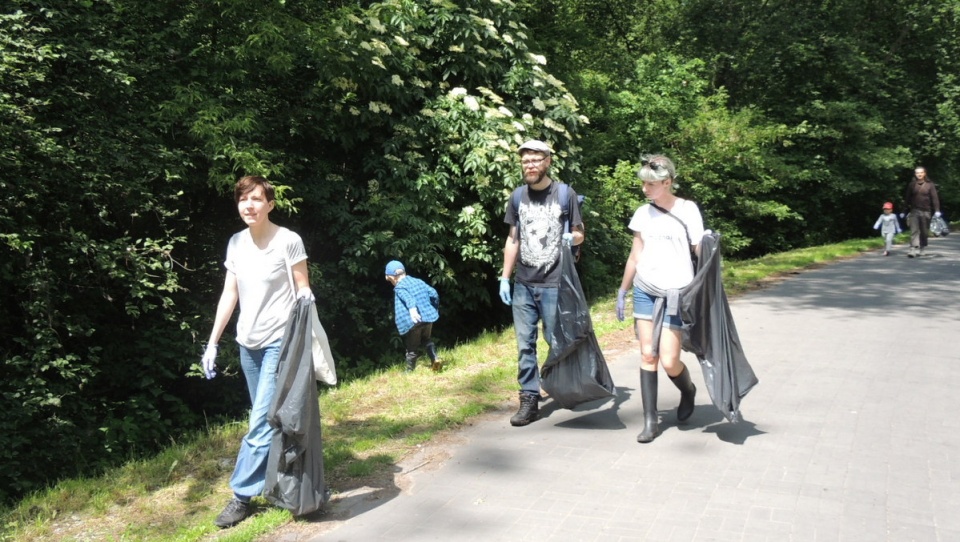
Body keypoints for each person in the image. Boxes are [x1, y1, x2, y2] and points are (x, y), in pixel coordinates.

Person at [200, 175, 314, 528]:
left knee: (260, 422)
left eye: (255, 199)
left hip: (279, 342)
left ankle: (241, 496)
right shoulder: (235, 243)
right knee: (268, 418)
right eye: (242, 199)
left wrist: (307, 305)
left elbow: (302, 286)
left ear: (270, 204)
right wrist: (213, 342)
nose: (248, 205)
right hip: (246, 344)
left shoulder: (288, 241)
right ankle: (282, 479)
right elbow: (229, 294)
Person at [615, 155, 703, 443]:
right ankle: (650, 421)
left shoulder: (688, 210)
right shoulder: (643, 213)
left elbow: (701, 252)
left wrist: (706, 289)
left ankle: (687, 390)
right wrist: (623, 289)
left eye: (652, 184)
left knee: (668, 360)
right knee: (648, 354)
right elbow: (635, 254)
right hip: (645, 289)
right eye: (643, 183)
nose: (646, 188)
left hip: (677, 292)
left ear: (668, 182)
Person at [498, 139, 585, 426]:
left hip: (555, 283)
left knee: (557, 340)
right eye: (525, 161)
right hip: (524, 283)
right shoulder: (517, 196)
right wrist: (504, 277)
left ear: (547, 161)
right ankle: (529, 398)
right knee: (525, 344)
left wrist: (572, 238)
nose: (530, 166)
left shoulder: (564, 194)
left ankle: (559, 382)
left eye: (535, 160)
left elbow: (579, 232)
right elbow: (513, 239)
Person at [385, 260, 443, 372]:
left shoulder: (400, 287)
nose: (390, 281)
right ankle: (435, 358)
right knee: (426, 339)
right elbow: (434, 293)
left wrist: (412, 310)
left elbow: (408, 298)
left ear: (393, 277)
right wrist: (433, 308)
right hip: (427, 319)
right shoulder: (418, 281)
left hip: (414, 321)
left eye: (389, 279)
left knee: (412, 348)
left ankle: (409, 371)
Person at [902, 166, 941, 258]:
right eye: (917, 173)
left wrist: (937, 210)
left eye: (921, 172)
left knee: (924, 231)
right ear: (915, 174)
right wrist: (904, 210)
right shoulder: (912, 184)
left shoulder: (930, 184)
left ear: (924, 173)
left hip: (926, 211)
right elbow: (907, 198)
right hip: (914, 211)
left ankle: (922, 248)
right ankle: (912, 249)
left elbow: (935, 198)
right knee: (914, 230)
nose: (919, 174)